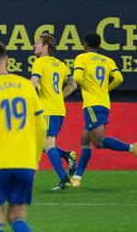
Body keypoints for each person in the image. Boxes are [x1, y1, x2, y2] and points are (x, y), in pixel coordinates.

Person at [0, 41, 46, 232]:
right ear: (7, 60)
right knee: (17, 217)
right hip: (24, 163)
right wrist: (35, 160)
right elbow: (41, 127)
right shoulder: (27, 86)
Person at [70, 32, 137, 188]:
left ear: (85, 45)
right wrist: (106, 88)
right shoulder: (108, 60)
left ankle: (132, 148)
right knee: (85, 140)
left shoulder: (82, 58)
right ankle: (77, 178)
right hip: (104, 102)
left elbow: (78, 78)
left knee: (98, 141)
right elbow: (119, 78)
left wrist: (72, 84)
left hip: (92, 104)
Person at [30, 33, 78, 190]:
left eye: (37, 43)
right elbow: (73, 84)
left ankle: (64, 179)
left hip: (47, 109)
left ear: (46, 46)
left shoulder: (39, 62)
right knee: (40, 143)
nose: (34, 45)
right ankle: (67, 155)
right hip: (58, 109)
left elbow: (33, 83)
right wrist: (59, 97)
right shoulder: (61, 64)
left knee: (48, 145)